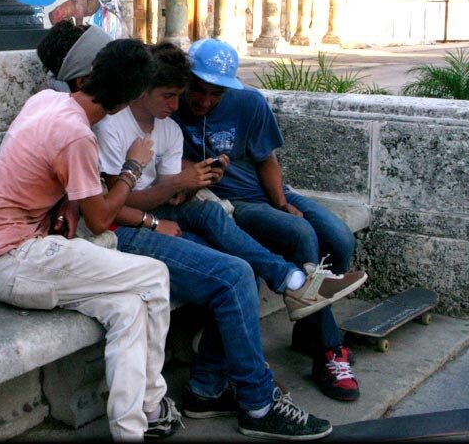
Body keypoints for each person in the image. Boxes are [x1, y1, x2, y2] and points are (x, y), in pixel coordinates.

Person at [92, 42, 340, 440]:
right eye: (169, 96)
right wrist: (161, 207)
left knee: (233, 252)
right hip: (123, 230)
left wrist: (197, 180)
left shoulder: (168, 129)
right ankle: (259, 403)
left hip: (158, 216)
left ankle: (208, 388)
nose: (178, 105)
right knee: (235, 273)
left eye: (179, 95)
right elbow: (105, 211)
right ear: (142, 90)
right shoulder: (113, 127)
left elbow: (172, 194)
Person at [0, 23, 181, 441]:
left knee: (128, 309)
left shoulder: (47, 100)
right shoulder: (78, 138)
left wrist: (66, 202)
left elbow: (58, 176)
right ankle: (153, 402)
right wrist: (133, 166)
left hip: (14, 255)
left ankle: (130, 430)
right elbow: (101, 219)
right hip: (15, 260)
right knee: (156, 276)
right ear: (126, 103)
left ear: (91, 74)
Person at [171, 38, 367, 402]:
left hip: (270, 191)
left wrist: (280, 201)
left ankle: (309, 327)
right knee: (300, 234)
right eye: (198, 90)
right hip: (230, 203)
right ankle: (328, 350)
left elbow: (267, 160)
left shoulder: (249, 102)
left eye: (216, 94)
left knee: (339, 238)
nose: (204, 101)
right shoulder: (171, 104)